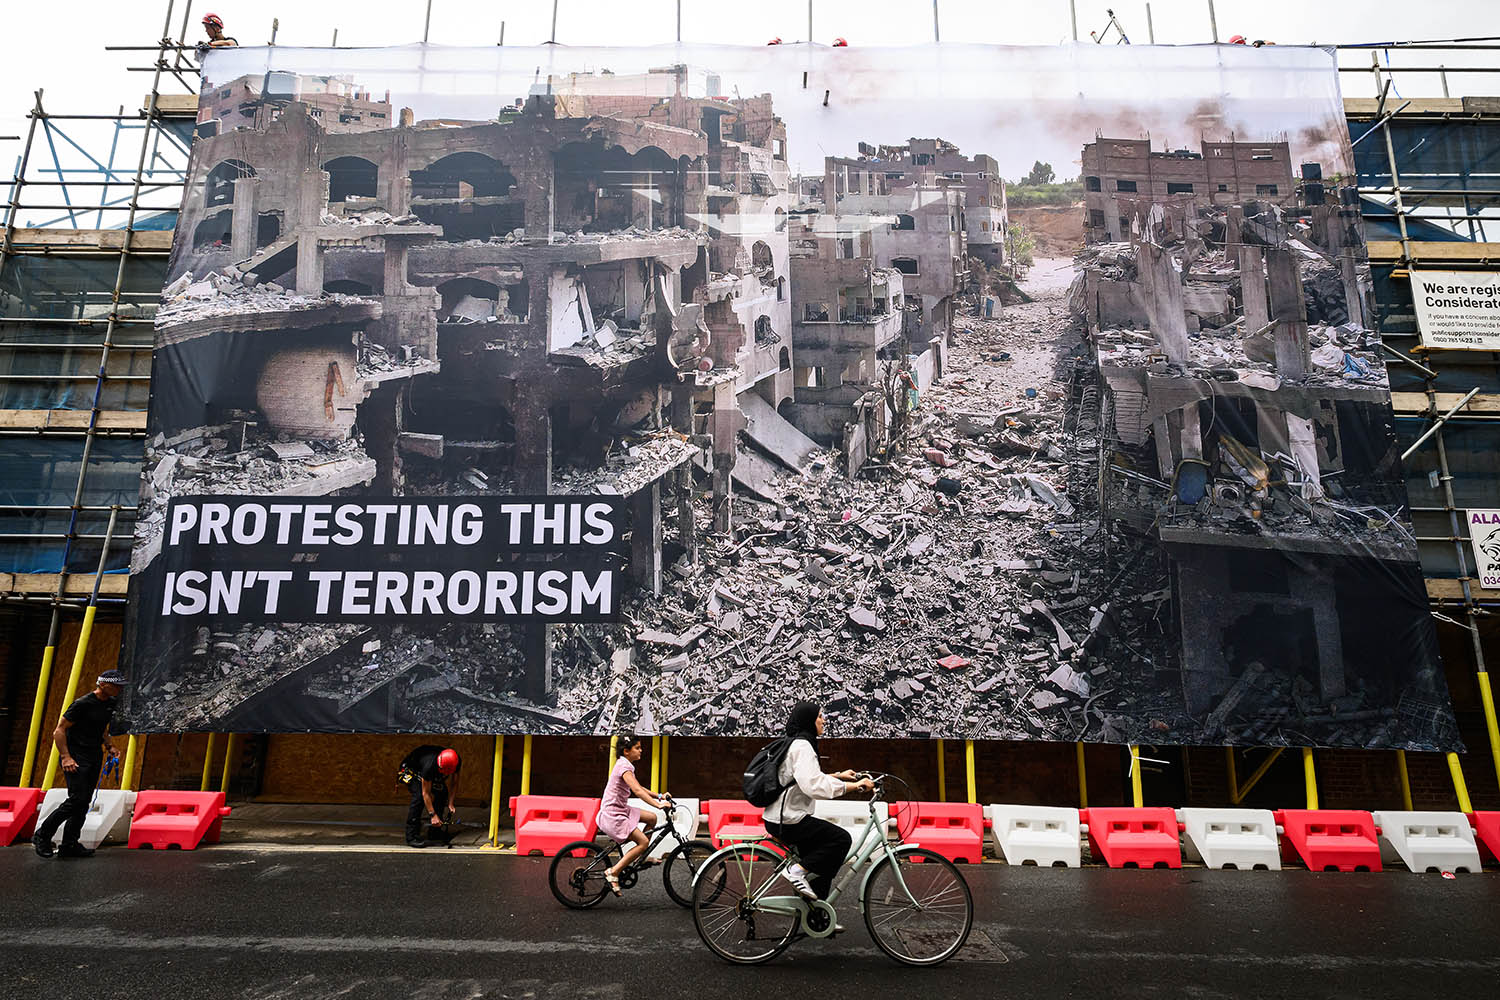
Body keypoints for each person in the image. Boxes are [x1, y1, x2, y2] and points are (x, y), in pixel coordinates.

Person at [762, 701, 873, 902]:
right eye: (820, 716)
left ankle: (815, 912)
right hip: (788, 820)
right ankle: (796, 871)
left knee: (819, 863)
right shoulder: (803, 746)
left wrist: (839, 776)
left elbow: (804, 778)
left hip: (780, 817)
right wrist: (854, 786)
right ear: (809, 720)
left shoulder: (794, 742)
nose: (824, 721)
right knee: (840, 839)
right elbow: (814, 786)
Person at [33, 670, 127, 859]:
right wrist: (66, 757)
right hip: (76, 755)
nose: (119, 689)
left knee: (84, 802)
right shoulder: (82, 704)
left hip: (94, 754)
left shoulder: (109, 703)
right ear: (103, 685)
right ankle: (42, 835)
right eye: (115, 685)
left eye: (120, 686)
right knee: (77, 799)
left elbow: (101, 728)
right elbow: (59, 731)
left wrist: (109, 745)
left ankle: (69, 844)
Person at [598, 734, 671, 895]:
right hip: (614, 814)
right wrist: (658, 805)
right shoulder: (624, 767)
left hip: (620, 809)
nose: (641, 750)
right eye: (637, 748)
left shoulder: (625, 764)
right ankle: (613, 872)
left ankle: (640, 857)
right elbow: (637, 791)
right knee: (643, 842)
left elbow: (638, 787)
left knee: (652, 818)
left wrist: (659, 796)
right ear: (626, 751)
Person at [399, 744, 460, 848]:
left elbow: (454, 783)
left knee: (442, 793)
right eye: (441, 771)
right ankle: (411, 836)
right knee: (419, 796)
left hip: (427, 768)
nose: (444, 774)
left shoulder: (456, 761)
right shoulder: (429, 767)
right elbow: (425, 793)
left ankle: (434, 833)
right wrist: (433, 815)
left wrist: (450, 803)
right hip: (410, 770)